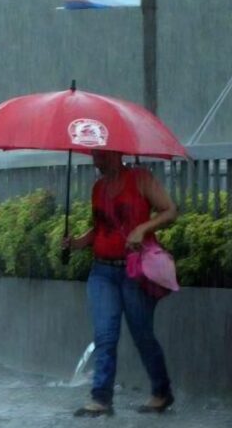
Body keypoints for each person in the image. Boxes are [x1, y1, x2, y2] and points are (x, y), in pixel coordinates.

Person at [64, 150, 178, 417]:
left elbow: (171, 211)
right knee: (105, 335)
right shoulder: (98, 187)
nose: (95, 161)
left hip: (134, 270)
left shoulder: (140, 179)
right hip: (102, 271)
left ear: (116, 153)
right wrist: (78, 242)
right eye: (94, 155)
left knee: (142, 335)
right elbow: (101, 227)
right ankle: (101, 399)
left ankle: (161, 392)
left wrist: (142, 229)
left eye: (101, 156)